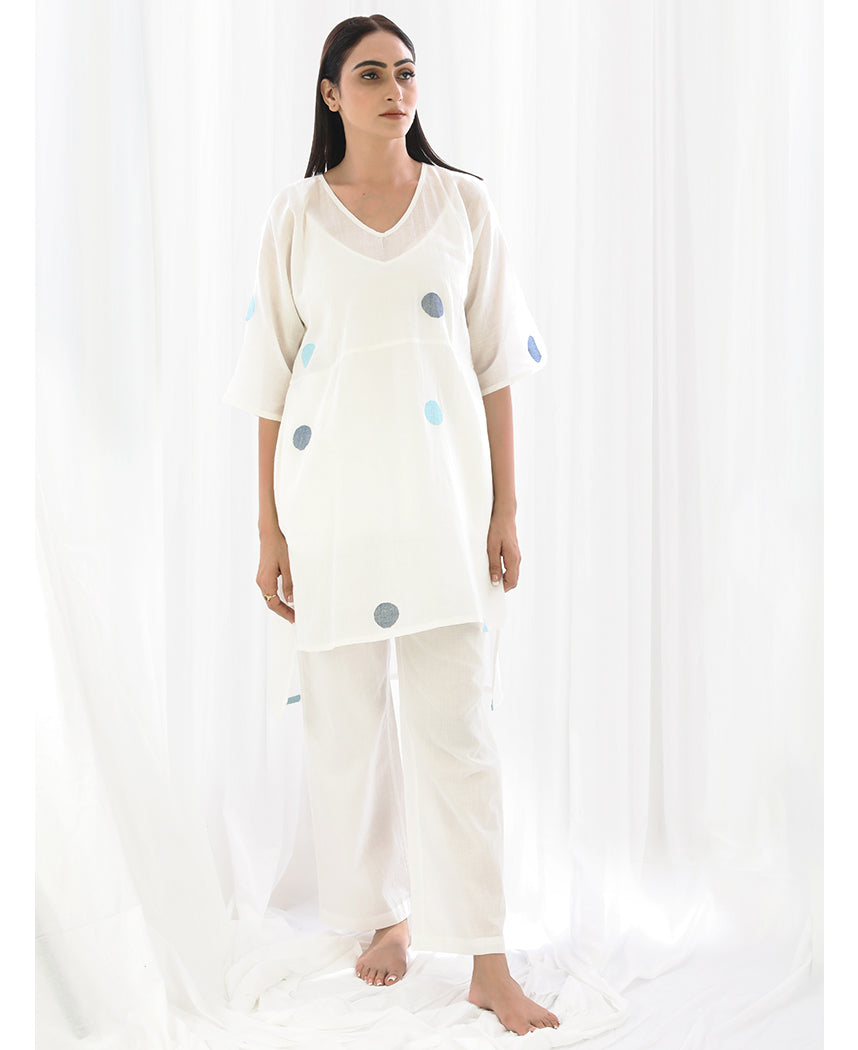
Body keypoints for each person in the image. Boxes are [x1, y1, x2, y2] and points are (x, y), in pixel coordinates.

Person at [223, 13, 559, 1037]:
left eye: (405, 73)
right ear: (331, 94)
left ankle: (489, 960)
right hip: (328, 508)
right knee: (348, 730)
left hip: (445, 508)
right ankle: (385, 917)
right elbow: (269, 381)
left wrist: (506, 507)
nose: (394, 90)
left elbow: (495, 365)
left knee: (460, 730)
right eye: (370, 74)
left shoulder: (464, 206)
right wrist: (269, 532)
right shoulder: (296, 217)